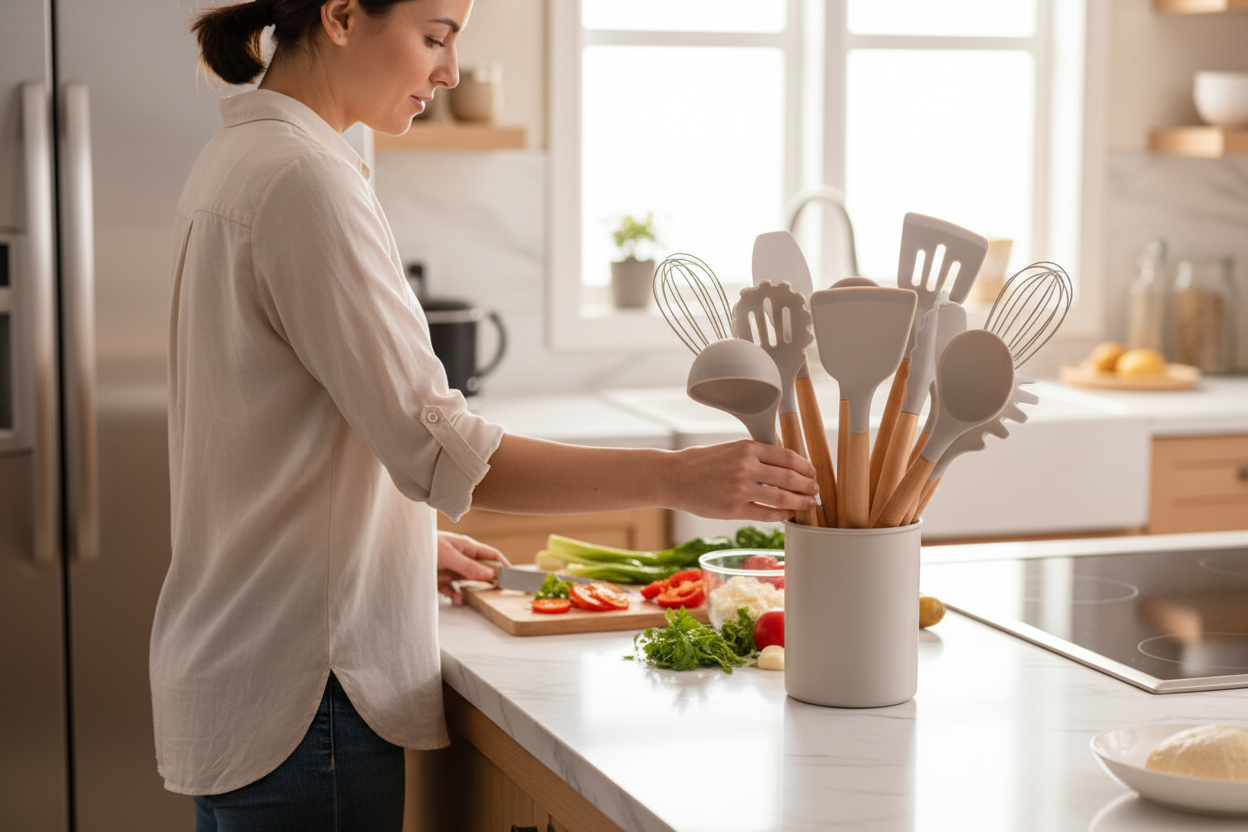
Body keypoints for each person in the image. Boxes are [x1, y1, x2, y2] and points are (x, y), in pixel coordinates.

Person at [150, 0, 819, 830]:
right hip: (308, 691)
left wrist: (394, 542)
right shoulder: (305, 179)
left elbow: (262, 430)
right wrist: (675, 475)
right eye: (434, 36)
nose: (450, 71)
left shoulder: (240, 156)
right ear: (343, 16)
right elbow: (445, 450)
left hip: (241, 663)